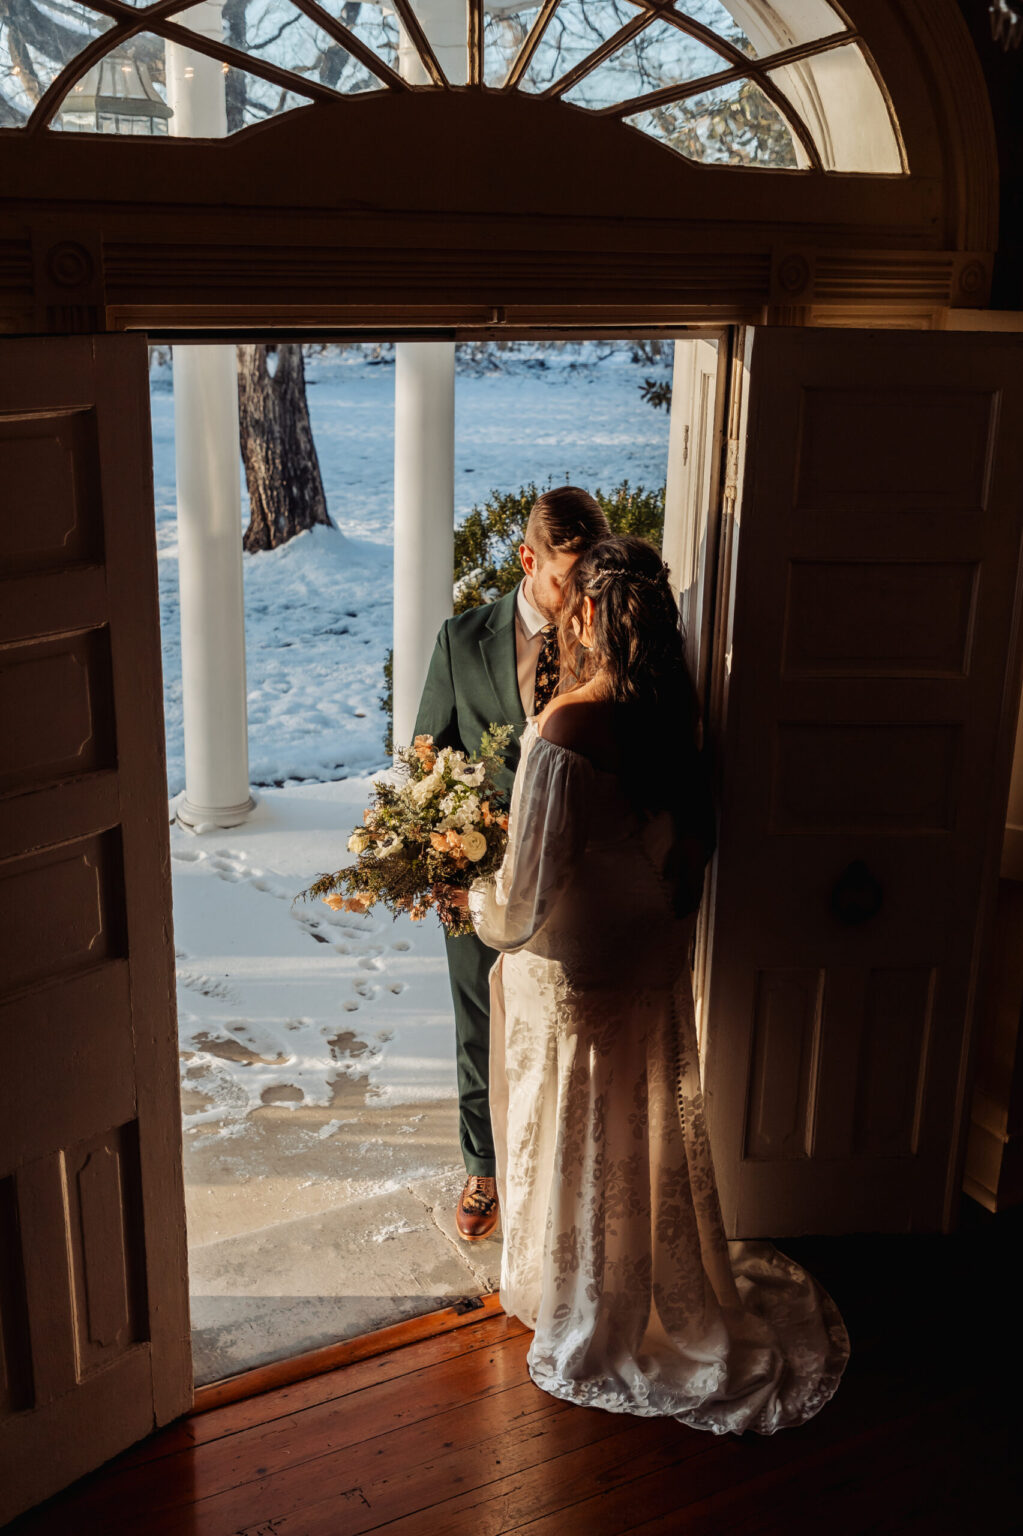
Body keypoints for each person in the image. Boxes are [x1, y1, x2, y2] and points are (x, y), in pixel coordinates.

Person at [462, 533, 851, 1435]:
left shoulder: (567, 727)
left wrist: (468, 897)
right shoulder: (671, 714)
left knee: (580, 1115)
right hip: (650, 952)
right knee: (634, 1119)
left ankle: (588, 1297)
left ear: (590, 612)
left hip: (582, 963)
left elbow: (524, 901)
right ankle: (636, 1277)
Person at [414, 485, 611, 1241]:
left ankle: (560, 1172)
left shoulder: (606, 634)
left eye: (592, 576)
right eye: (568, 577)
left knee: (568, 1026)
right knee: (477, 1019)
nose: (580, 596)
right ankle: (483, 1166)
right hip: (482, 866)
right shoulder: (461, 640)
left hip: (585, 872)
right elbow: (429, 753)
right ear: (528, 560)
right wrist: (439, 856)